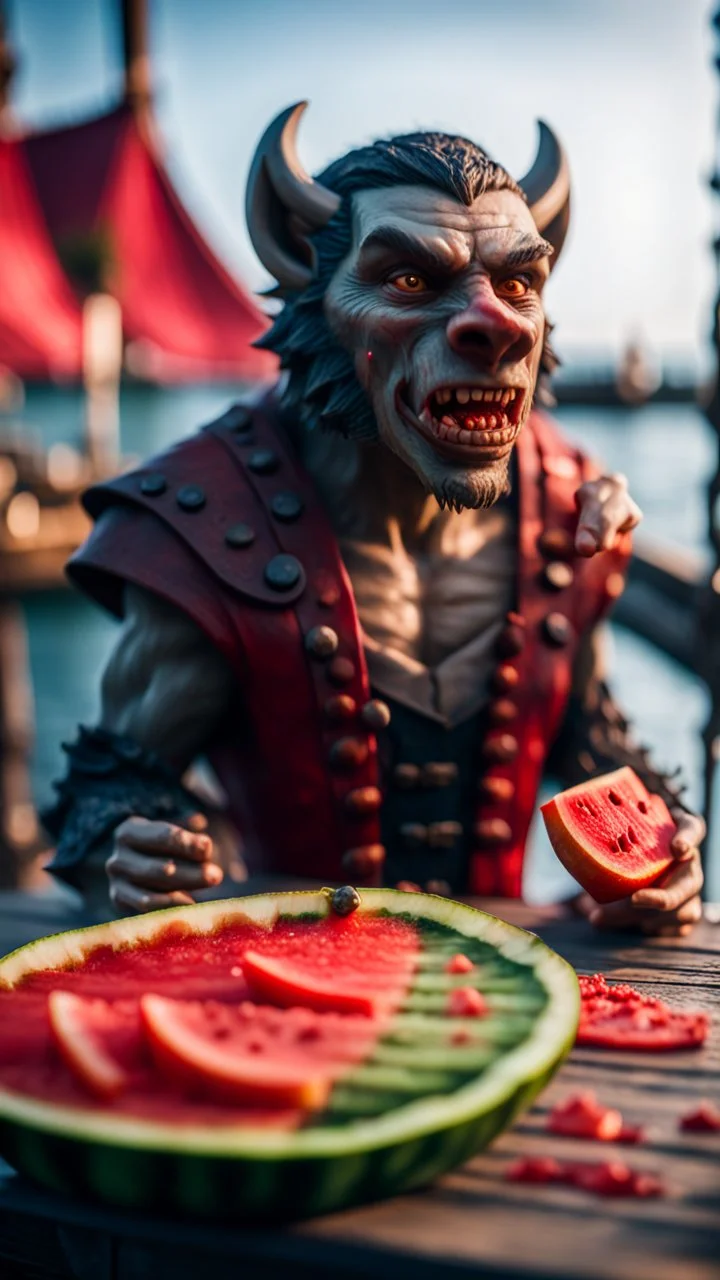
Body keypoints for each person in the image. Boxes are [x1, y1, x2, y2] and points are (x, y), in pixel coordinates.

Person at [44, 105, 704, 935]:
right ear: (318, 302)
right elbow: (109, 779)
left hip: (509, 977)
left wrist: (666, 836)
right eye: (409, 281)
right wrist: (125, 848)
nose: (494, 322)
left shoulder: (570, 512)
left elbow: (595, 742)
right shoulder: (208, 521)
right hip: (290, 982)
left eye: (518, 284)